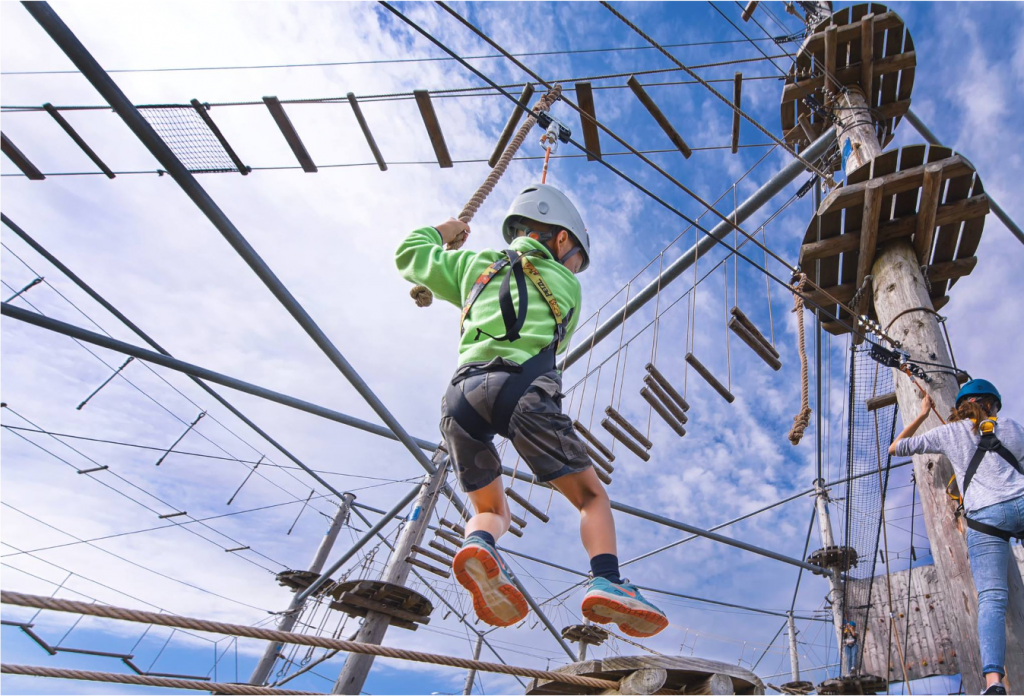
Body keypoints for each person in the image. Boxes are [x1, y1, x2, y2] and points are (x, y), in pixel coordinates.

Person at [396, 183, 669, 638]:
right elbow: (552, 342)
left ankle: (479, 545)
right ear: (562, 239)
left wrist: (449, 230)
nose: (576, 267)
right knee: (590, 497)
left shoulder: (470, 265)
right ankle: (607, 580)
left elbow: (409, 253)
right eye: (577, 256)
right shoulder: (567, 288)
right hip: (522, 392)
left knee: (490, 509)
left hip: (459, 400)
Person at [889, 379, 1024, 696]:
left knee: (992, 598)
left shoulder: (949, 433)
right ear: (992, 405)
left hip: (985, 517)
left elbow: (896, 448)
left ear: (961, 407)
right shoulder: (1015, 428)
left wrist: (923, 414)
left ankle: (994, 684)